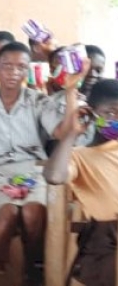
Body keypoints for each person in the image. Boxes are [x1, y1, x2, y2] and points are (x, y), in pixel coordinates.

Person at [0, 42, 73, 286]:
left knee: (32, 213)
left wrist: (71, 92)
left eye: (21, 67)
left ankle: (31, 268)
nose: (13, 72)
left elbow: (63, 132)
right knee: (8, 214)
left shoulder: (38, 100)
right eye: (7, 66)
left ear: (27, 70)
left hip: (33, 169)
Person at [44, 79, 118, 286]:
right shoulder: (79, 156)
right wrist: (71, 134)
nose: (116, 119)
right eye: (110, 112)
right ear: (91, 113)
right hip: (106, 240)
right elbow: (54, 176)